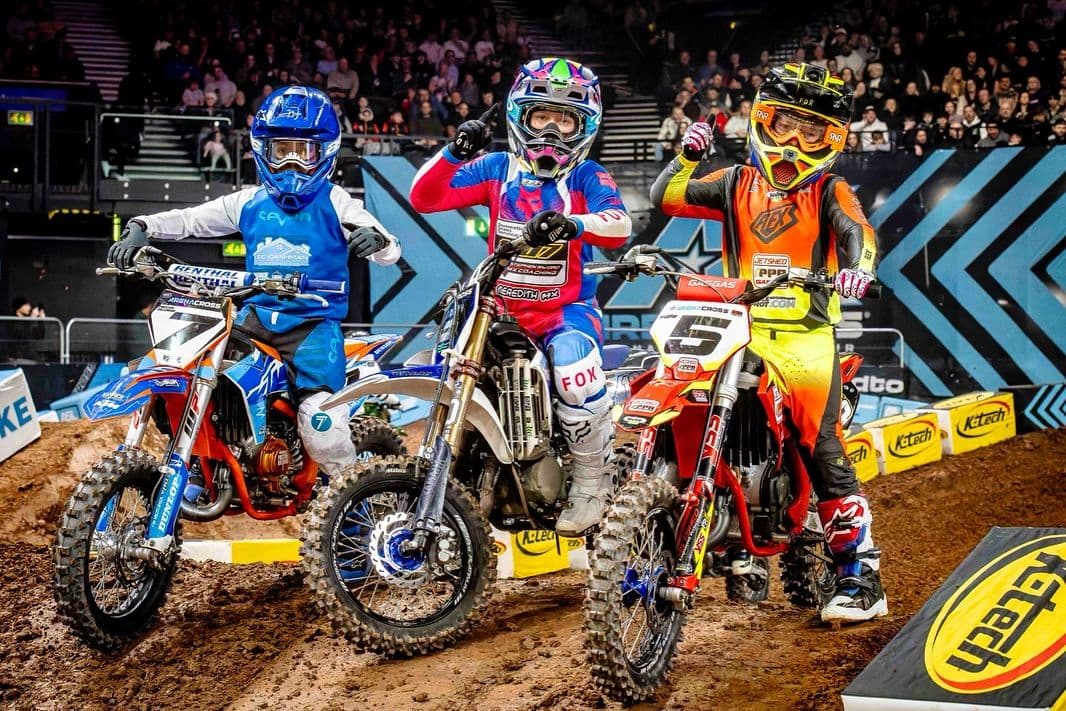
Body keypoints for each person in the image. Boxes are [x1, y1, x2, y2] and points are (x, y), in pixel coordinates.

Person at [650, 63, 887, 624]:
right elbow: (669, 198)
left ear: (831, 138)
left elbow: (858, 232)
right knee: (679, 403)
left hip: (805, 336)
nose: (794, 140)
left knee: (822, 446)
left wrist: (859, 270)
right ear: (763, 120)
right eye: (785, 123)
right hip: (738, 325)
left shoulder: (830, 189)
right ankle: (707, 530)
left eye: (811, 130)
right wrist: (687, 155)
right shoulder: (735, 181)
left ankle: (860, 575)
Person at [107, 86, 401, 480]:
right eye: (282, 150)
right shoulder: (248, 202)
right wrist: (142, 226)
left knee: (321, 426)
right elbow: (191, 219)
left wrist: (377, 241)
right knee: (192, 371)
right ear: (264, 151)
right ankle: (207, 471)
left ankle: (353, 494)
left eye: (304, 151)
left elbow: (391, 248)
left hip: (311, 328)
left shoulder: (336, 201)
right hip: (253, 320)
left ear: (324, 154)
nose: (292, 162)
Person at [409, 58, 632, 536]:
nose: (551, 130)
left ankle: (590, 482)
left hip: (565, 313)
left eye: (565, 120)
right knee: (444, 365)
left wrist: (573, 223)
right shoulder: (497, 169)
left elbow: (620, 224)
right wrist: (454, 152)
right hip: (497, 310)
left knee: (573, 374)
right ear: (519, 116)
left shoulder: (587, 176)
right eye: (541, 116)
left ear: (584, 127)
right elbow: (424, 198)